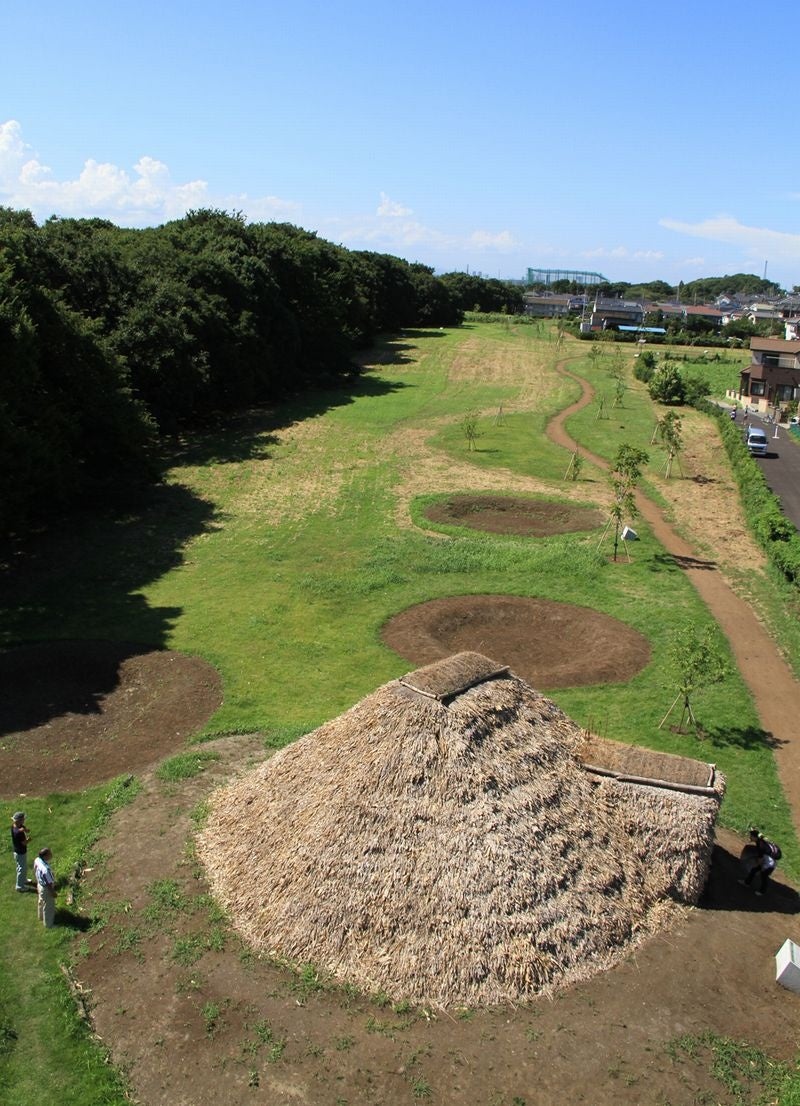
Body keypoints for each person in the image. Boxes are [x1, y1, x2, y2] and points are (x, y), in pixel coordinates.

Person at [739, 829, 779, 896]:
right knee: (754, 870)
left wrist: (760, 866)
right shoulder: (760, 842)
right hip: (767, 860)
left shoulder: (761, 845)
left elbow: (761, 859)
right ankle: (747, 883)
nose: (750, 837)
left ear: (755, 837)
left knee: (764, 876)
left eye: (751, 836)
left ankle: (762, 891)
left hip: (769, 864)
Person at [33, 847, 57, 927]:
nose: (51, 854)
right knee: (48, 906)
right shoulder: (46, 870)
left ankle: (40, 917)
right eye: (50, 853)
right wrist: (53, 893)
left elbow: (35, 870)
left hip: (40, 884)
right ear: (45, 856)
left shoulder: (37, 860)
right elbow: (49, 884)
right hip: (46, 888)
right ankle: (48, 924)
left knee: (41, 901)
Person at [10, 811, 33, 893]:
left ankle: (24, 880)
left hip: (17, 851)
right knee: (21, 869)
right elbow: (24, 843)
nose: (24, 820)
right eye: (23, 819)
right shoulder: (18, 833)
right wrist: (28, 840)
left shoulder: (14, 826)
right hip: (20, 852)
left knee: (21, 867)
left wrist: (25, 829)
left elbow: (21, 827)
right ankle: (19, 886)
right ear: (19, 820)